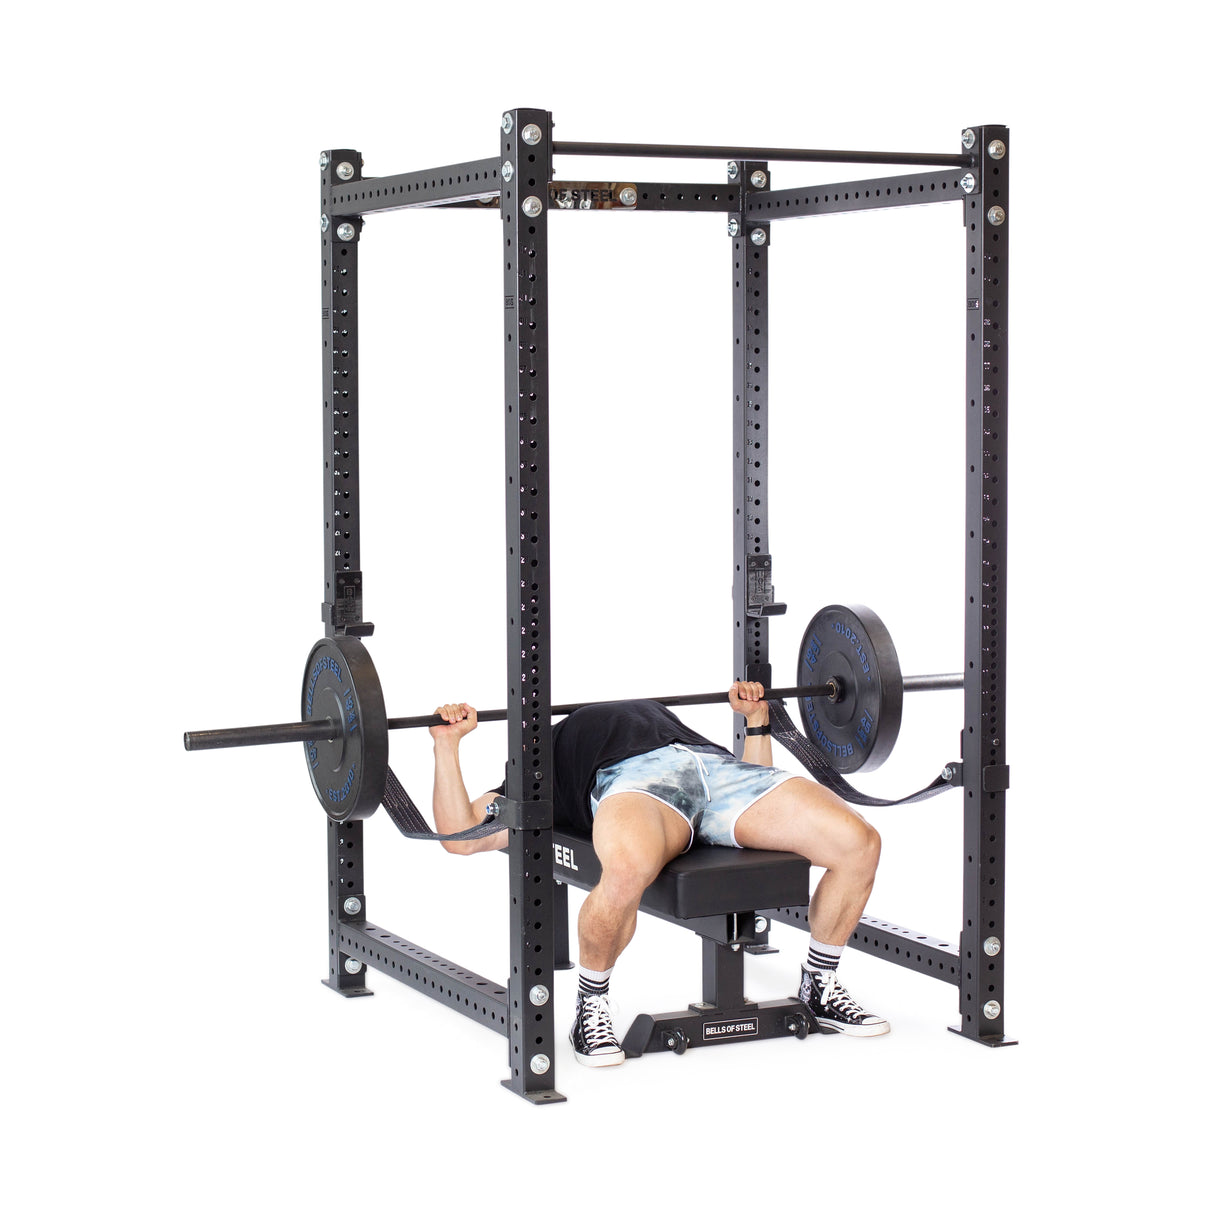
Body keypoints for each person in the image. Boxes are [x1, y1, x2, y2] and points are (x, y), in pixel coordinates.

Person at [428, 681, 888, 1067]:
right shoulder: (534, 770)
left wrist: (756, 720)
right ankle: (592, 1005)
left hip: (714, 767)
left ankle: (819, 984)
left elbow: (757, 788)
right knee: (626, 870)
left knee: (859, 844)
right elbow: (461, 836)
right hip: (634, 782)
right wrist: (446, 745)